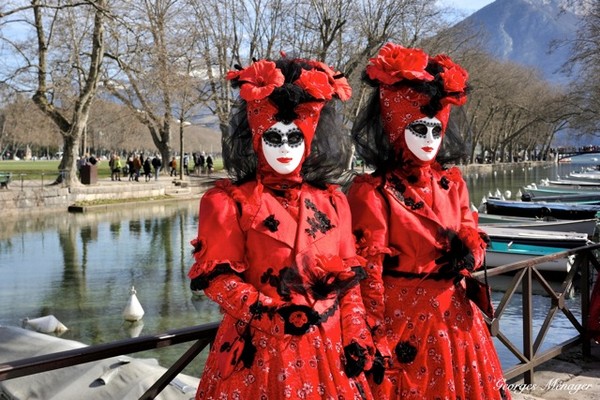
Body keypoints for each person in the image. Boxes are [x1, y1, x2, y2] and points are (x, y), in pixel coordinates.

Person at [188, 56, 375, 399]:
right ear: (257, 137)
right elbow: (220, 281)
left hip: (328, 356)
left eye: (295, 137)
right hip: (259, 358)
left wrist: (356, 333)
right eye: (275, 137)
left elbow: (348, 283)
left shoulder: (333, 202)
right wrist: (273, 315)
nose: (286, 148)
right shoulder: (229, 202)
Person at [346, 43, 510, 399]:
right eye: (419, 130)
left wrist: (471, 252)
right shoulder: (372, 192)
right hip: (402, 323)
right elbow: (366, 275)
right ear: (395, 127)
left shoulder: (453, 183)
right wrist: (373, 334)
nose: (430, 141)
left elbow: (472, 230)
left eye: (436, 130)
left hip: (456, 318)